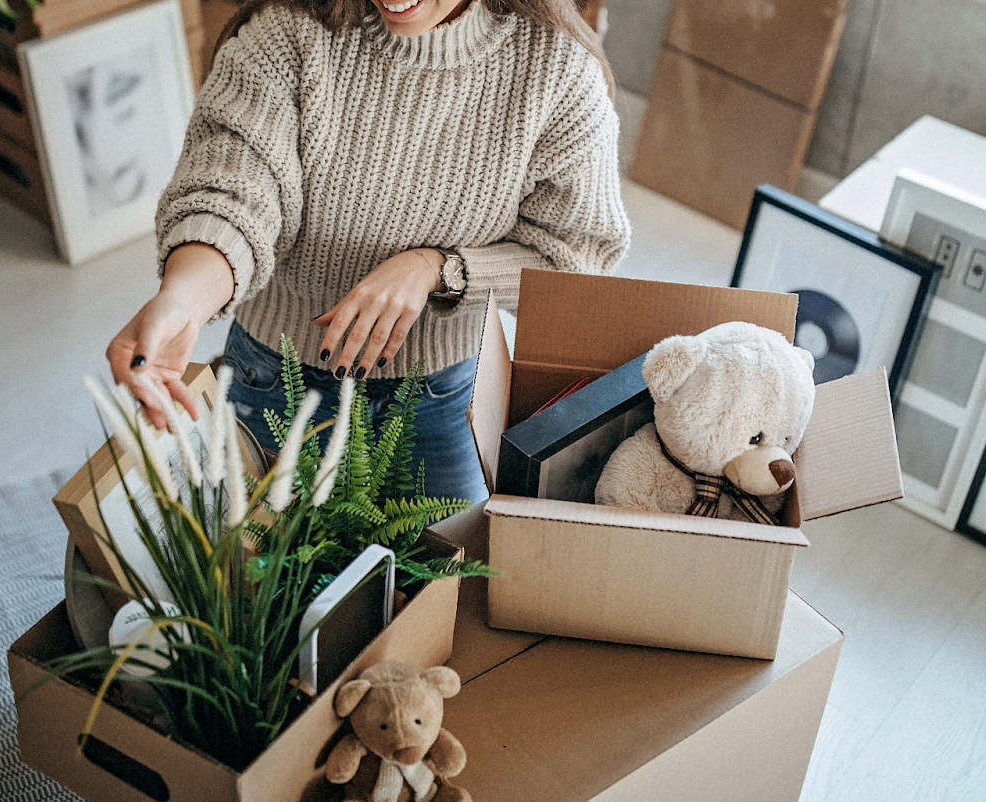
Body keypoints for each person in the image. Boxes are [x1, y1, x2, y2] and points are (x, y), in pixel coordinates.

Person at [106, 0, 630, 503]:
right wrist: (182, 301)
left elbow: (575, 259)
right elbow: (234, 195)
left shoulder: (558, 72)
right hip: (275, 374)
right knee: (260, 582)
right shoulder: (284, 34)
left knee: (438, 583)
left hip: (442, 392)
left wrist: (441, 269)